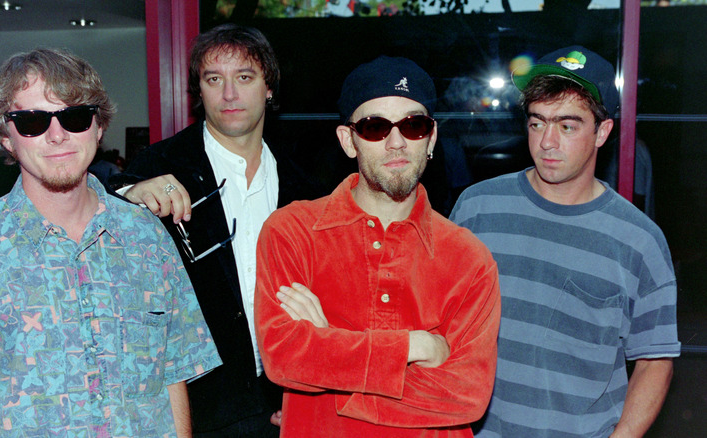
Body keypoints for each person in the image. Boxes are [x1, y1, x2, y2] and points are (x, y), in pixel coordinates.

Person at [0, 48, 220, 437]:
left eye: (75, 116)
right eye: (31, 121)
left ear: (99, 128)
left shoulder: (148, 238)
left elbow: (172, 376)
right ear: (5, 137)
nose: (57, 134)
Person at [254, 56, 501, 437]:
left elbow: (467, 395)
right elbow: (284, 358)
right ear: (347, 140)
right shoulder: (292, 232)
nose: (397, 142)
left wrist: (331, 356)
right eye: (374, 127)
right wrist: (415, 347)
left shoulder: (469, 258)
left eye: (414, 125)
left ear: (432, 138)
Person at [449, 45, 680, 437]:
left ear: (602, 132)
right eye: (537, 123)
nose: (547, 142)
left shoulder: (639, 241)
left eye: (567, 126)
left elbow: (655, 360)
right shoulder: (478, 209)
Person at [109, 24, 322, 436]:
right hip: (198, 409)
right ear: (199, 92)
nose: (229, 94)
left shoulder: (307, 184)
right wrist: (129, 192)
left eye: (244, 77)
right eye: (214, 79)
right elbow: (90, 214)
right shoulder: (160, 165)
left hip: (286, 402)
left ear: (269, 88)